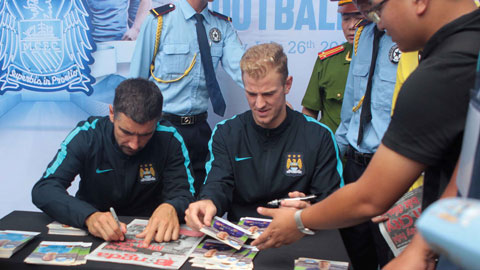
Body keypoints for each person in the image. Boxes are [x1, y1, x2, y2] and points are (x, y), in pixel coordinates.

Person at [251, 3, 480, 270]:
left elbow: (370, 197)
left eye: (376, 10)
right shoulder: (464, 52)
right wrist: (423, 246)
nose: (379, 24)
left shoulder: (443, 72)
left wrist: (300, 221)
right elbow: (467, 163)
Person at [185, 43, 343, 230]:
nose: (259, 104)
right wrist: (208, 201)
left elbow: (332, 205)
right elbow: (218, 183)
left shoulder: (319, 136)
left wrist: (308, 212)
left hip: (300, 233)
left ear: (287, 85)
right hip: (243, 240)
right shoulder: (227, 132)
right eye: (251, 94)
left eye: (268, 94)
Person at [32, 78, 195, 246]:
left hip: (149, 234)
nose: (134, 144)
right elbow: (44, 189)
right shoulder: (88, 135)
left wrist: (172, 207)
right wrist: (89, 217)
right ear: (111, 113)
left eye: (145, 134)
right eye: (126, 132)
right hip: (93, 230)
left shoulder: (169, 138)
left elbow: (184, 194)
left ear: (158, 120)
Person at [130, 0, 245, 193]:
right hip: (161, 130)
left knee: (197, 203)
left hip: (199, 132)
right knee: (156, 203)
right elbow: (135, 84)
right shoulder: (159, 21)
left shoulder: (221, 26)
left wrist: (273, 93)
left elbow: (245, 71)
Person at [330, 4, 399, 268]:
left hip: (389, 170)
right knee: (354, 251)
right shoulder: (365, 36)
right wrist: (337, 151)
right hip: (355, 167)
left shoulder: (409, 38)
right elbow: (352, 100)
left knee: (389, 252)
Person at [301, 0, 364, 133]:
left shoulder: (387, 60)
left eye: (359, 18)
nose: (352, 25)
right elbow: (309, 112)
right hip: (332, 149)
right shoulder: (327, 61)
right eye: (346, 19)